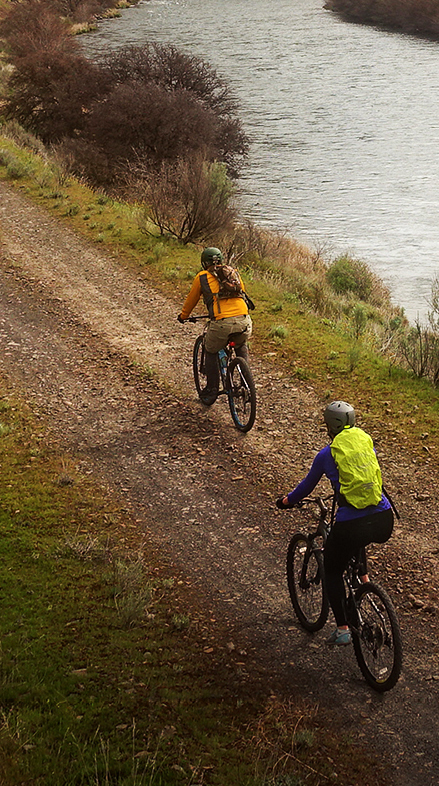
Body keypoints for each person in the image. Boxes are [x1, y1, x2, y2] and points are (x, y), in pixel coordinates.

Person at [275, 400, 393, 646]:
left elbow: (306, 487)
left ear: (329, 426)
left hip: (353, 522)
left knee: (332, 568)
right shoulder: (365, 442)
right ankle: (365, 582)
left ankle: (343, 629)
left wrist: (287, 501)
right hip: (384, 518)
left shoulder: (327, 455)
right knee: (359, 536)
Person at [177, 245, 252, 405]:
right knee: (240, 344)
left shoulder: (202, 277)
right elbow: (242, 293)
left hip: (222, 323)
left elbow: (192, 299)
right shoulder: (233, 273)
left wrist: (183, 316)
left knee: (210, 350)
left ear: (204, 263)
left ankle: (211, 391)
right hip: (244, 319)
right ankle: (247, 383)